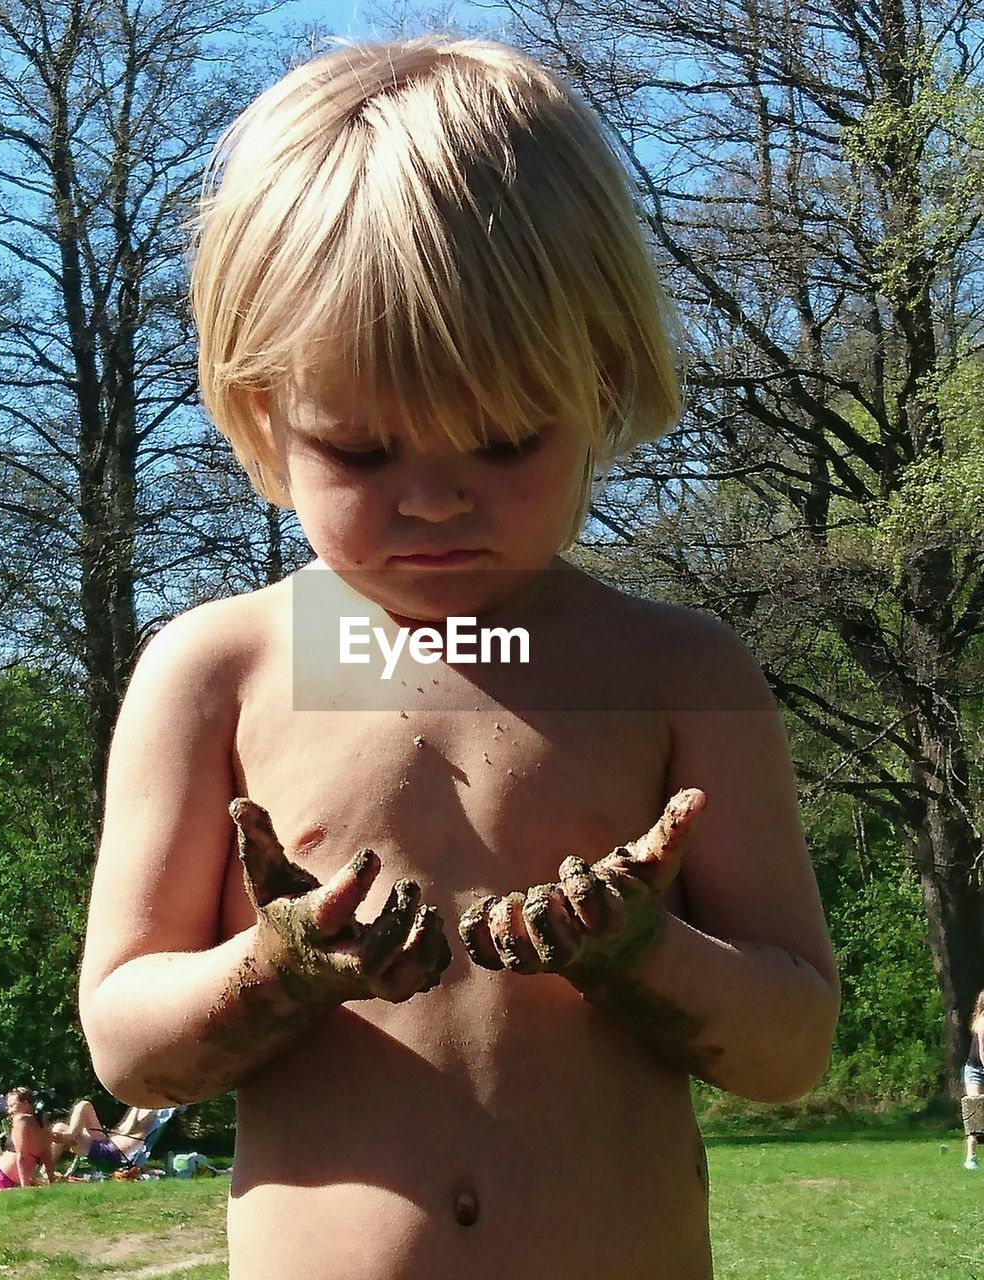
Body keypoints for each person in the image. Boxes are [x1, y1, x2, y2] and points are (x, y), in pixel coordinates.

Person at [78, 37, 840, 1280]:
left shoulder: (669, 668)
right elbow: (125, 1040)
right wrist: (277, 966)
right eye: (362, 453)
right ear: (262, 406)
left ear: (598, 382)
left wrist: (637, 949)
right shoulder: (223, 668)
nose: (431, 501)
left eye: (498, 442)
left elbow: (789, 1042)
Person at [50, 1099, 165, 1170]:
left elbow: (127, 1131)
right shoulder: (143, 1107)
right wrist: (135, 1106)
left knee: (82, 1107)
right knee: (62, 1124)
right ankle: (46, 1171)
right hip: (107, 1141)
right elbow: (122, 1128)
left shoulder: (150, 1115)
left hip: (109, 1154)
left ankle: (71, 1135)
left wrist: (136, 1106)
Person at [963, 990, 984, 1170]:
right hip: (976, 1071)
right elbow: (982, 1053)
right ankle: (971, 1157)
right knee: (975, 1111)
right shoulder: (983, 1021)